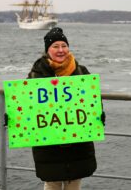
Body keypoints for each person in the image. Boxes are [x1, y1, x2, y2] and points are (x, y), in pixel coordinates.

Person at [28, 27, 104, 190]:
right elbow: (26, 104)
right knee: (52, 183)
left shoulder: (81, 71)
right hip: (49, 145)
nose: (61, 50)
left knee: (74, 184)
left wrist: (98, 114)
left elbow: (93, 99)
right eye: (55, 46)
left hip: (77, 146)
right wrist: (12, 117)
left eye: (64, 45)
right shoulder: (36, 73)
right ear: (47, 50)